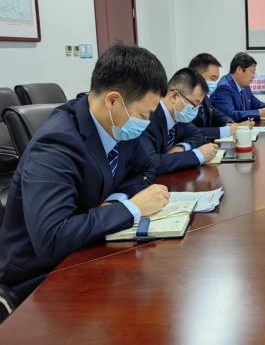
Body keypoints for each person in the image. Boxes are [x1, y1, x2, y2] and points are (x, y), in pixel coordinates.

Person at [0, 45, 171, 304]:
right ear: (113, 101)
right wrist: (132, 208)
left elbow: (147, 169)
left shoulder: (118, 125)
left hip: (91, 247)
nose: (146, 122)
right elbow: (52, 238)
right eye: (143, 114)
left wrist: (115, 202)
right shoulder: (55, 144)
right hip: (40, 277)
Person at [141, 68, 219, 175]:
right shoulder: (148, 117)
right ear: (174, 96)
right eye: (194, 104)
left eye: (198, 106)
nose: (195, 110)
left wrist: (182, 147)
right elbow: (152, 163)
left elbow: (198, 134)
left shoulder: (179, 116)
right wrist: (198, 155)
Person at [188, 53, 246, 141]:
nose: (214, 84)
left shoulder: (204, 97)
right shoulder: (184, 101)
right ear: (196, 75)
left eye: (216, 80)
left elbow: (216, 115)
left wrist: (229, 123)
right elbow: (190, 131)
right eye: (212, 79)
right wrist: (225, 131)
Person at [211, 52, 265, 121]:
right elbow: (231, 115)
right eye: (252, 72)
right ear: (239, 69)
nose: (253, 76)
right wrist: (259, 113)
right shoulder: (224, 88)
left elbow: (257, 104)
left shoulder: (245, 86)